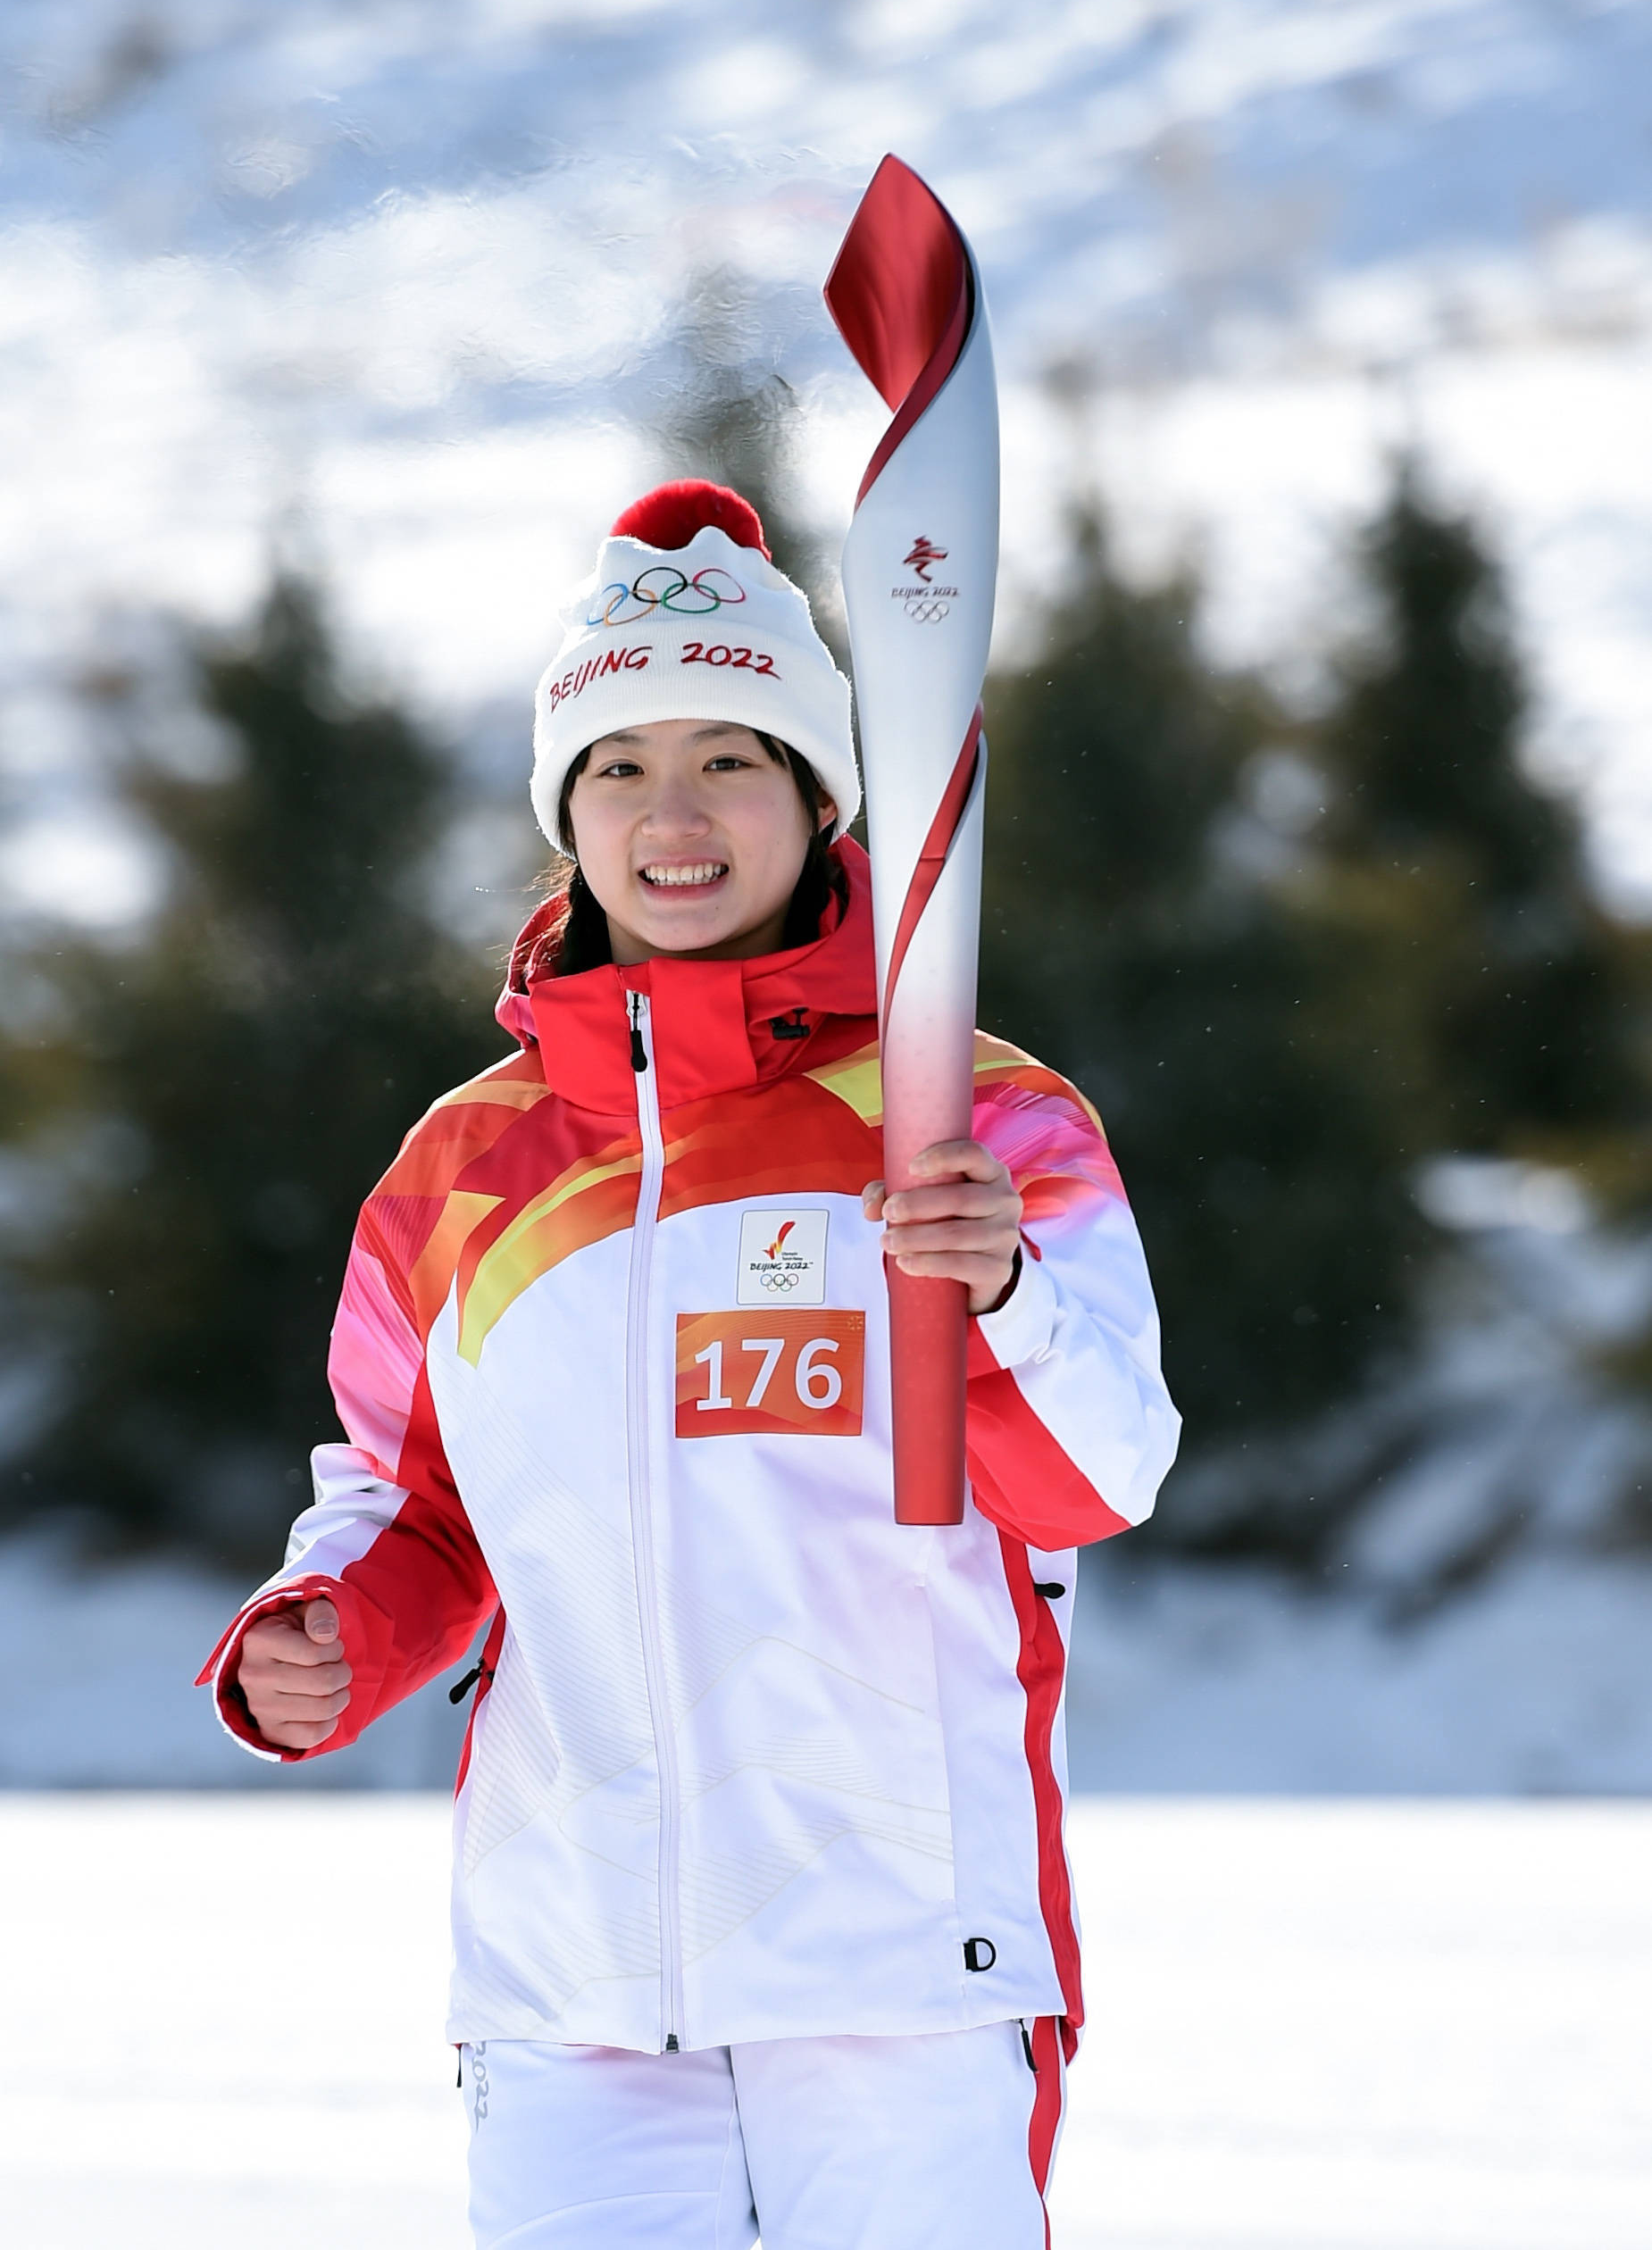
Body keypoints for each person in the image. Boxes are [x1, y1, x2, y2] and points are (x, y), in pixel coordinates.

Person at [199, 479, 1180, 2248]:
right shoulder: (459, 1171)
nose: (672, 814)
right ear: (564, 812)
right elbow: (409, 1503)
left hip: (896, 1957)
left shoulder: (978, 1116)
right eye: (619, 765)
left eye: (730, 757)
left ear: (816, 800)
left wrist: (1001, 1294)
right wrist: (326, 1631)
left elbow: (1097, 1480)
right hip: (571, 1970)